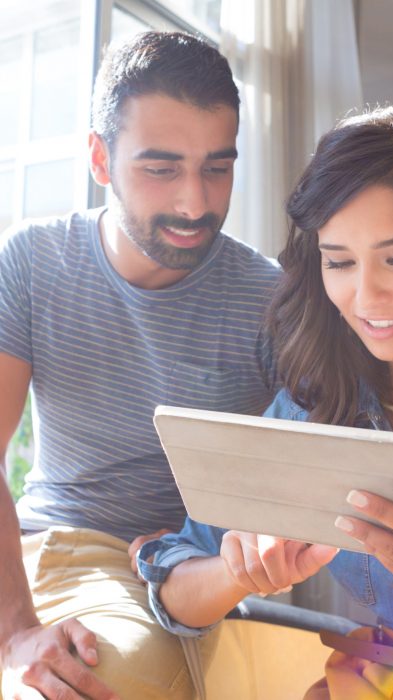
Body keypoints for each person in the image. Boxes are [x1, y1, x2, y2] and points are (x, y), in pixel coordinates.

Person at [0, 31, 282, 700]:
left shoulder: (270, 299)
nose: (195, 202)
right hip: (49, 545)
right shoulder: (33, 264)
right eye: (161, 168)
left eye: (218, 167)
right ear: (100, 158)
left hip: (179, 570)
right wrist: (14, 629)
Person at [136, 105, 393, 696]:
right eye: (339, 262)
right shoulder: (317, 406)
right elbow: (177, 584)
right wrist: (238, 572)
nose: (366, 295)